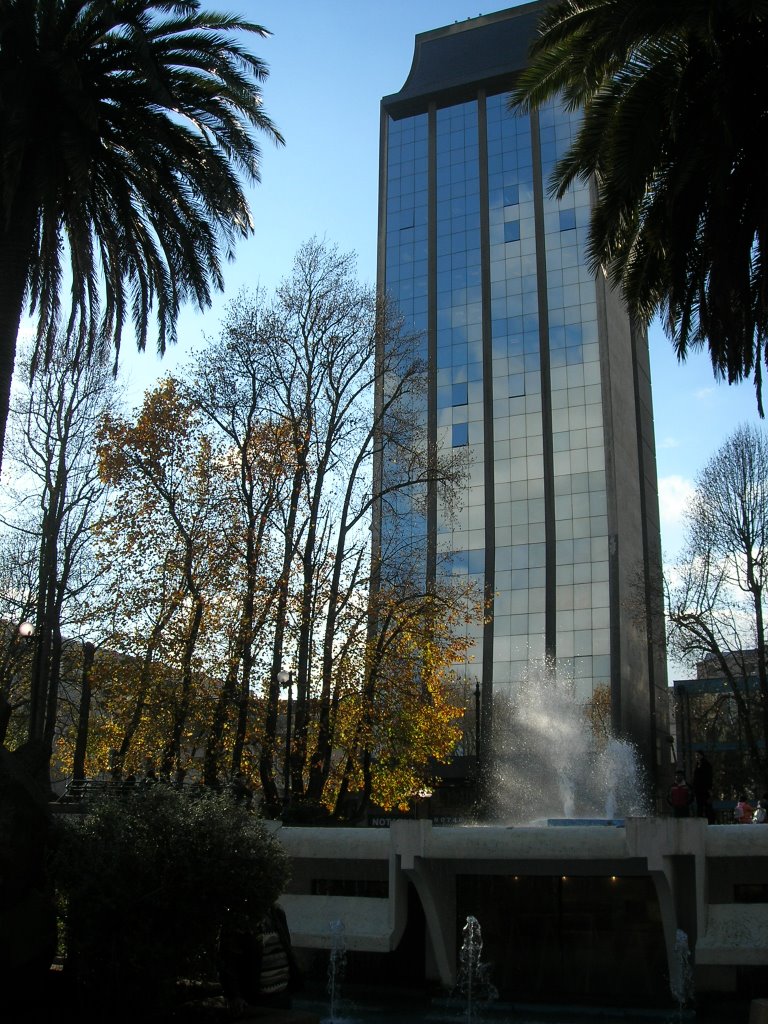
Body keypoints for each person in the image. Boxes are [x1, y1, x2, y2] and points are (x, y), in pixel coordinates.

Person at [217, 901, 299, 1015]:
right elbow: (228, 961)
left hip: (282, 995)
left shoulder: (277, 912)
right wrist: (235, 995)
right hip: (255, 998)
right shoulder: (238, 918)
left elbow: (286, 945)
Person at [692, 751, 714, 822]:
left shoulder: (706, 765)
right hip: (699, 790)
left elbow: (708, 777)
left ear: (702, 755)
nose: (696, 757)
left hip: (704, 789)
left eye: (698, 755)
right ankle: (701, 820)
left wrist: (709, 789)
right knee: (700, 806)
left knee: (706, 806)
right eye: (696, 755)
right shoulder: (697, 765)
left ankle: (709, 820)